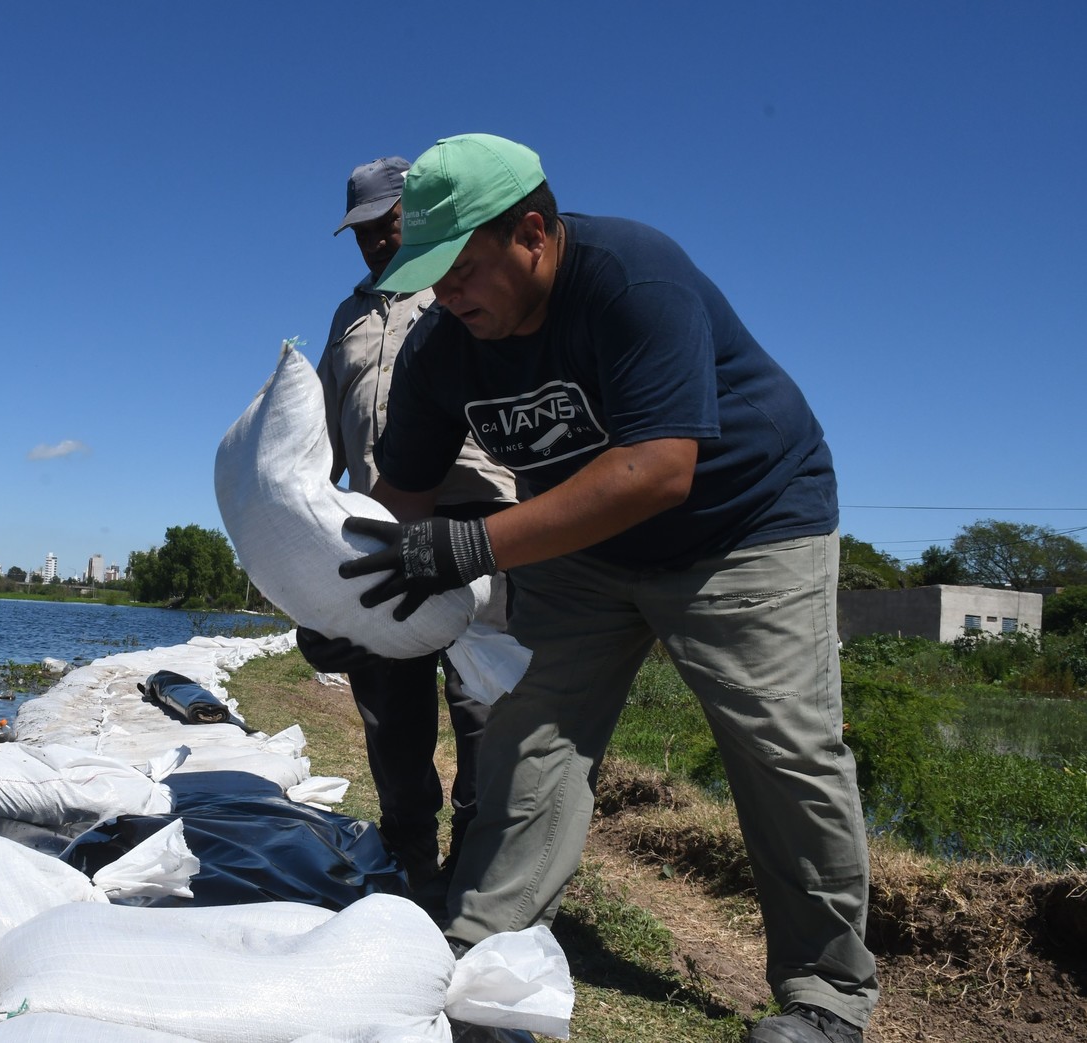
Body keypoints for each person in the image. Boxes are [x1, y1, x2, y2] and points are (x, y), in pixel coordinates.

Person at [332, 134, 877, 1043]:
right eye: (432, 278)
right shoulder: (442, 346)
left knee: (780, 745)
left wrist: (473, 545)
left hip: (743, 524)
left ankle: (825, 993)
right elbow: (400, 501)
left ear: (532, 233)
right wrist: (341, 604)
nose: (447, 296)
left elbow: (657, 469)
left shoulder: (631, 276)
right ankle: (484, 944)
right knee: (530, 731)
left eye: (461, 270)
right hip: (582, 546)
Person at [302, 156, 516, 898]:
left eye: (386, 225)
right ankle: (409, 855)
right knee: (390, 700)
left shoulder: (457, 288)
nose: (374, 243)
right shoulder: (349, 319)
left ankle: (481, 859)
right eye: (361, 232)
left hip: (475, 517)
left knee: (483, 694)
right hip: (384, 525)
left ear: (415, 216)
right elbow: (322, 444)